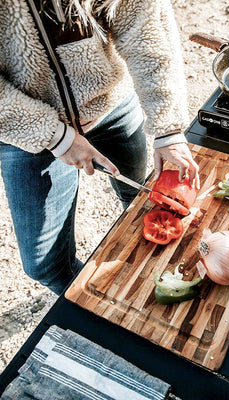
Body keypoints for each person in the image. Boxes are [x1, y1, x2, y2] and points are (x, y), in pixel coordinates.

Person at [0, 0, 200, 295]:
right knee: (44, 265)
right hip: (24, 124)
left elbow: (143, 20)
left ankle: (140, 264)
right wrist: (55, 137)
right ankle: (91, 301)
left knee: (138, 197)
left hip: (112, 105)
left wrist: (167, 126)